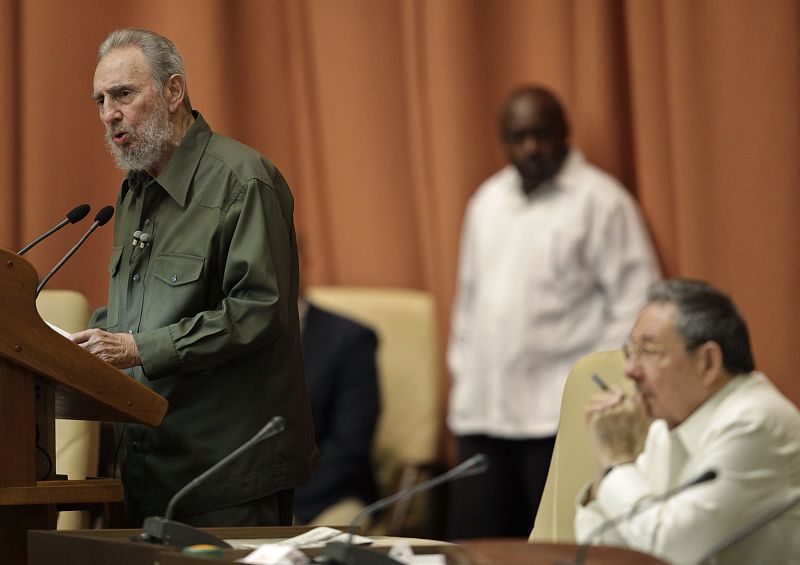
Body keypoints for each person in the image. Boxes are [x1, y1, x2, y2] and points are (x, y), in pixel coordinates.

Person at [71, 28, 317, 527]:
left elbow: (258, 310)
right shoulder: (133, 191)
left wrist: (139, 349)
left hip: (224, 473)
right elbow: (130, 315)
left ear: (174, 91)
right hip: (144, 469)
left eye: (123, 94)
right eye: (100, 99)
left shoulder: (244, 180)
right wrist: (70, 348)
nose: (108, 114)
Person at [447, 85, 660, 538]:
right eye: (518, 137)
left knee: (552, 545)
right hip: (483, 412)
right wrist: (464, 374)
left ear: (565, 132)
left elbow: (634, 303)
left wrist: (588, 386)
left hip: (557, 418)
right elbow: (468, 301)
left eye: (541, 134)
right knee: (476, 548)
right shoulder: (486, 201)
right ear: (501, 140)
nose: (531, 148)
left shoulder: (601, 201)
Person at [576, 279, 800, 564]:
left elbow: (670, 550)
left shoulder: (756, 424)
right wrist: (606, 468)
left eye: (649, 351)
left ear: (707, 362)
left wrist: (617, 461)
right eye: (631, 352)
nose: (631, 371)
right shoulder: (666, 427)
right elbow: (600, 542)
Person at [294, 297, 381, 525]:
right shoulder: (224, 335)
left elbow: (350, 444)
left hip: (326, 495)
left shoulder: (351, 338)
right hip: (244, 496)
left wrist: (286, 501)